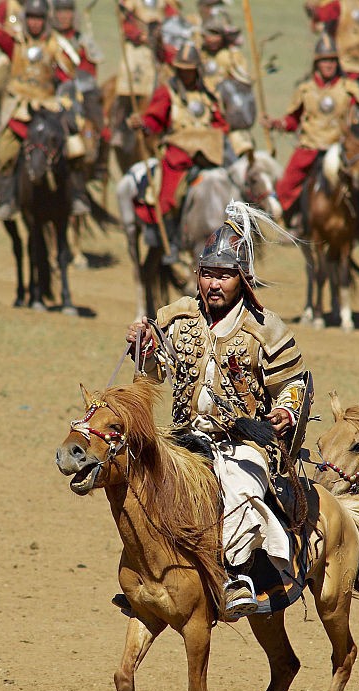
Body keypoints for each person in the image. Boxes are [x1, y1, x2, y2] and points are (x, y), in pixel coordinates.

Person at [126, 201, 310, 620]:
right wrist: (145, 347)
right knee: (136, 477)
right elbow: (154, 376)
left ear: (242, 281)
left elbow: (294, 385)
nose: (214, 284)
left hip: (242, 442)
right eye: (208, 274)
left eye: (224, 275)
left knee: (240, 488)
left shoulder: (267, 328)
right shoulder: (176, 317)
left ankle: (237, 575)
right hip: (183, 436)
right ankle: (145, 575)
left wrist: (284, 413)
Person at [0, 0, 88, 220]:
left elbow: (67, 75)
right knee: (3, 152)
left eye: (39, 18)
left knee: (75, 147)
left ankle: (78, 197)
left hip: (48, 108)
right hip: (20, 109)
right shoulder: (17, 43)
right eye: (31, 17)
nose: (34, 23)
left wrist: (65, 98)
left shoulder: (55, 46)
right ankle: (7, 201)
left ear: (45, 20)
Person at [129, 41, 228, 263]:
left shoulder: (208, 94)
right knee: (169, 195)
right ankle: (173, 241)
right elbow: (154, 120)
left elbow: (220, 122)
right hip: (178, 154)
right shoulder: (167, 92)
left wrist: (218, 135)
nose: (186, 74)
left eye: (190, 70)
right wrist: (143, 125)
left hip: (208, 153)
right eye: (182, 70)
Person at [267, 35, 359, 230]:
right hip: (310, 145)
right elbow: (292, 120)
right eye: (324, 61)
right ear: (316, 64)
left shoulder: (349, 89)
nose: (328, 65)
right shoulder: (305, 89)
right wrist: (277, 123)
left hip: (339, 148)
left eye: (331, 60)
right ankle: (289, 219)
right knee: (287, 184)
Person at [199, 9, 253, 158]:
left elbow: (243, 84)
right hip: (203, 110)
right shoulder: (199, 54)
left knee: (241, 150)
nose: (212, 39)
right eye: (209, 34)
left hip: (228, 112)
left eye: (216, 34)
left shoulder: (233, 56)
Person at [51, 0, 98, 78]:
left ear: (74, 14)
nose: (64, 17)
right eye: (60, 12)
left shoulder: (82, 42)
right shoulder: (49, 40)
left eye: (67, 12)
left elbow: (89, 75)